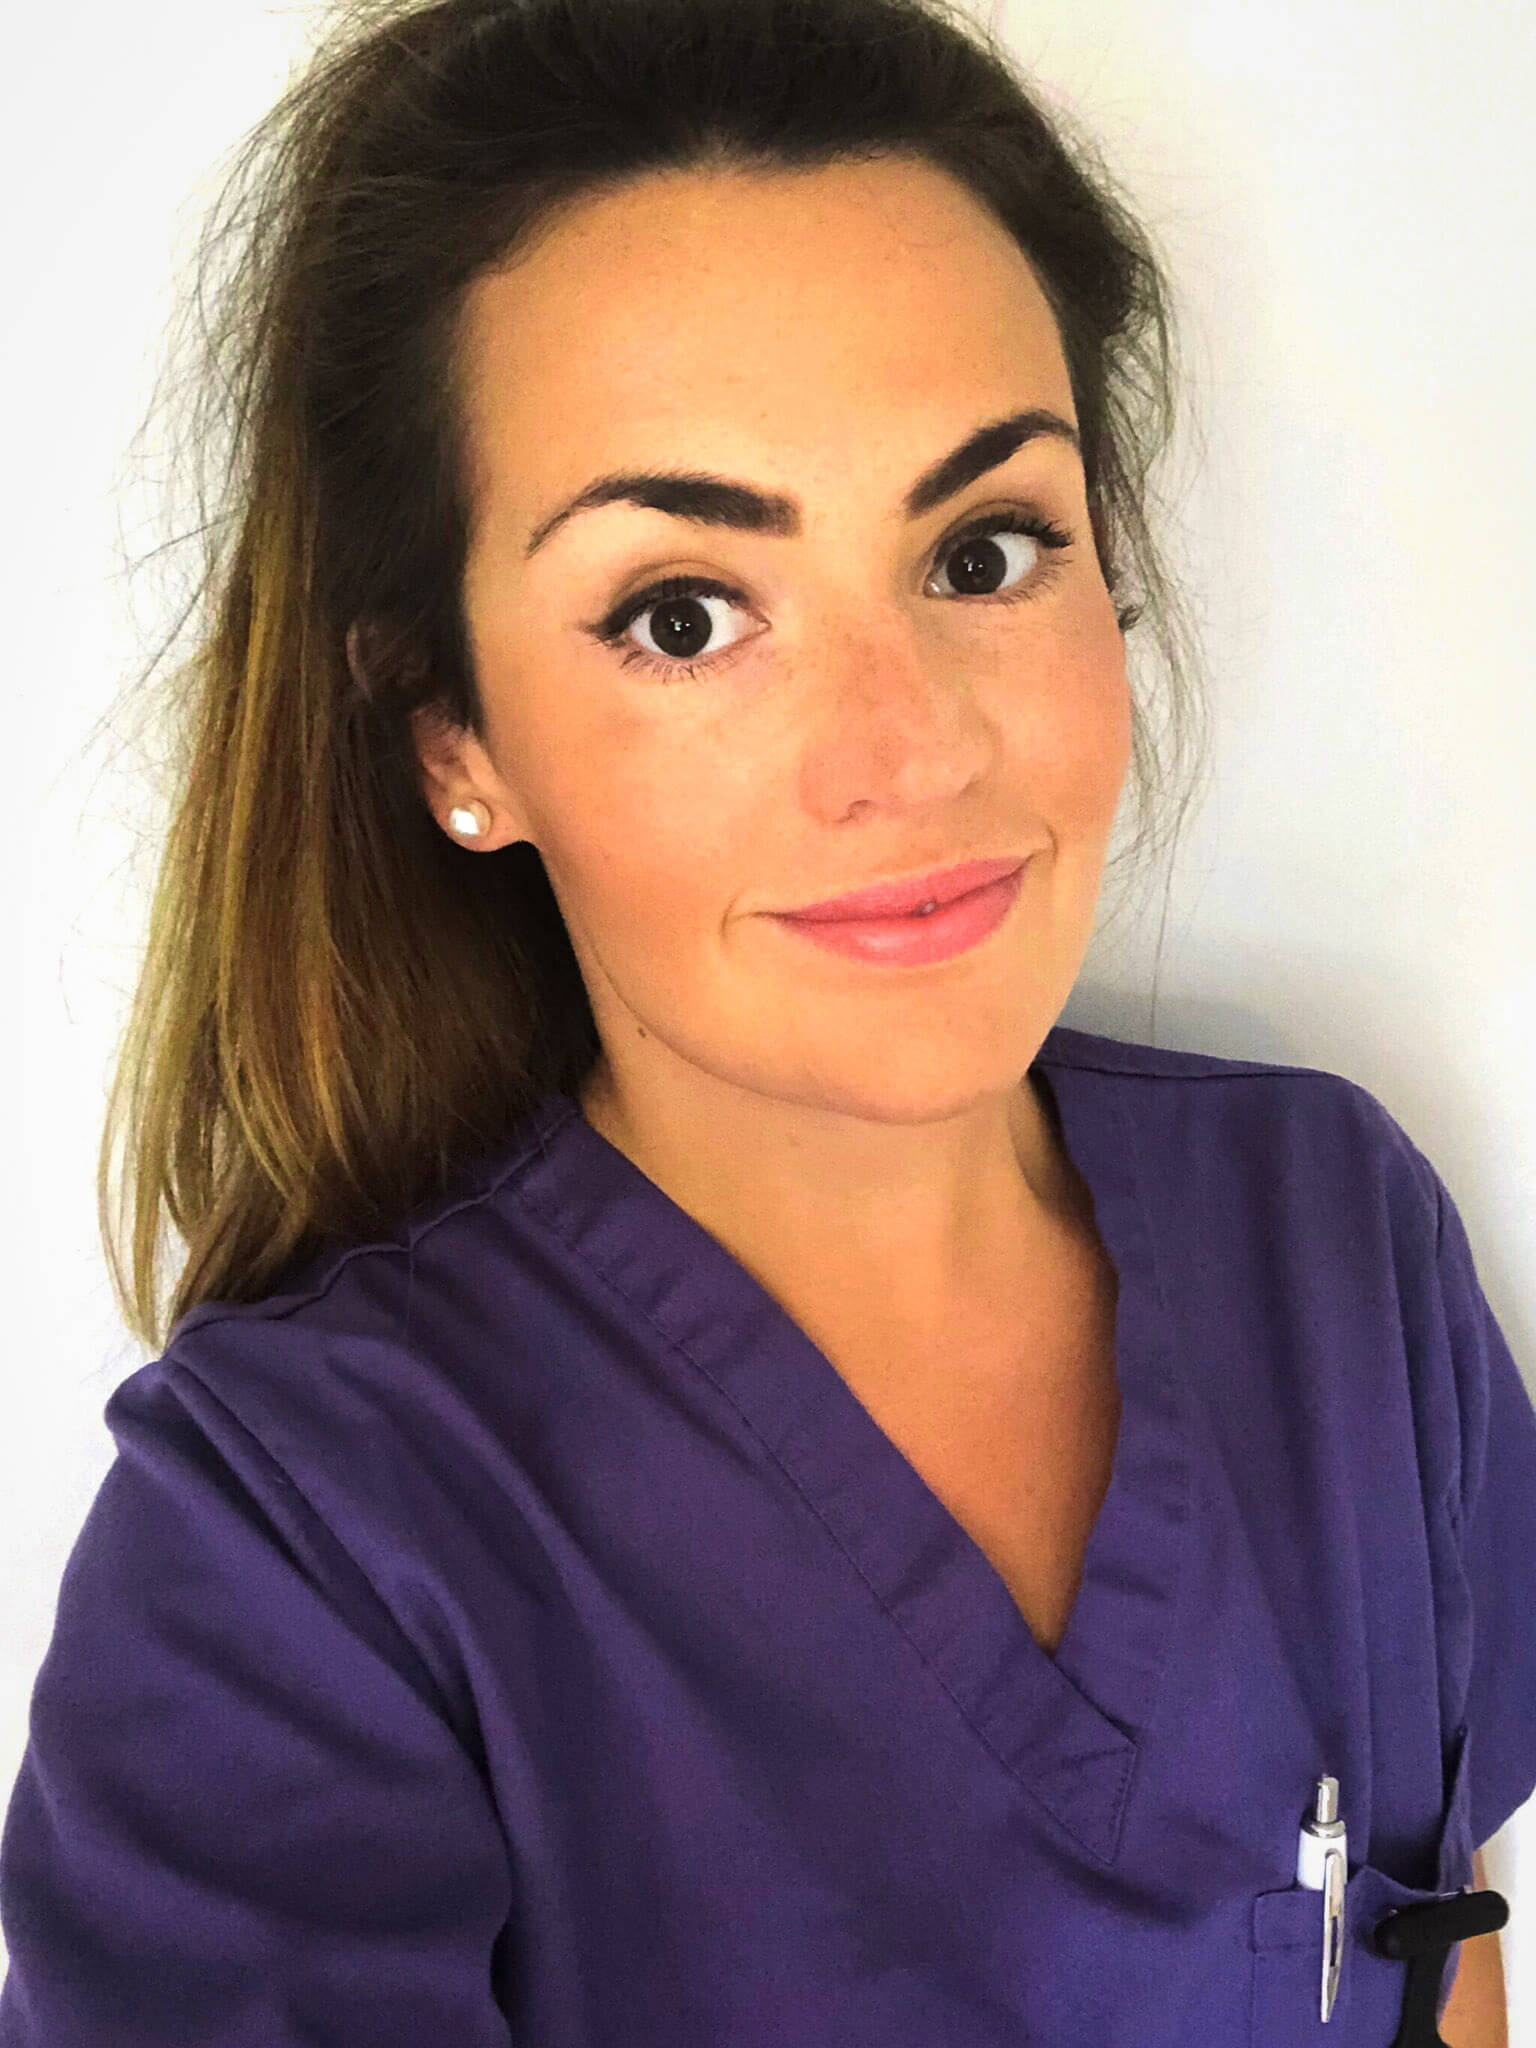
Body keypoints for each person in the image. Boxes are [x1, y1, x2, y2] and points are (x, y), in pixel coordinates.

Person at [0, 0, 1530, 2040]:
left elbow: (1445, 1971)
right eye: (683, 616)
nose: (905, 752)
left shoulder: (1334, 1245)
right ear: (456, 733)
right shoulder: (293, 1569)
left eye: (984, 551)